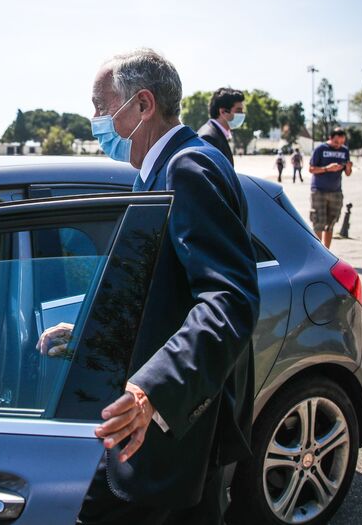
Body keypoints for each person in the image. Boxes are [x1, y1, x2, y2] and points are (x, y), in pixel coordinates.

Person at [39, 49, 259, 524]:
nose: (95, 120)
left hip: (167, 421)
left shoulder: (187, 168)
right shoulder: (161, 169)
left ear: (142, 105)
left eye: (101, 106)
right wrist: (85, 334)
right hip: (176, 421)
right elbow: (161, 289)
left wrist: (151, 391)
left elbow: (229, 299)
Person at [308, 128, 352, 248]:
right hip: (319, 191)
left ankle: (327, 252)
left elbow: (348, 173)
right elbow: (311, 169)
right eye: (336, 142)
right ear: (330, 138)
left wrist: (348, 167)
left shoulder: (344, 151)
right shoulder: (320, 149)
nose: (339, 145)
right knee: (318, 223)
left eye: (342, 143)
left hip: (336, 191)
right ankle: (318, 252)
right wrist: (327, 168)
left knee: (330, 224)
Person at [197, 87, 243, 166]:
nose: (242, 115)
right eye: (238, 111)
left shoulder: (216, 134)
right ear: (223, 112)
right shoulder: (209, 138)